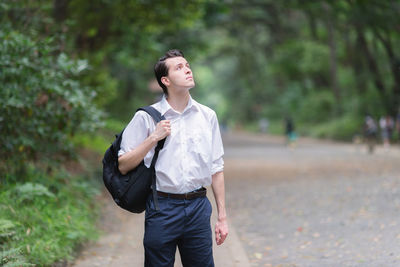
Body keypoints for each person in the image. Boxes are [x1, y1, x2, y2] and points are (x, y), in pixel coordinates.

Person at [117, 49, 228, 267]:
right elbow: (123, 165)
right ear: (165, 80)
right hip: (162, 207)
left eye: (187, 65)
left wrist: (222, 217)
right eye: (179, 67)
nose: (187, 69)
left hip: (198, 207)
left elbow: (217, 168)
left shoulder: (207, 116)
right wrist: (153, 138)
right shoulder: (146, 117)